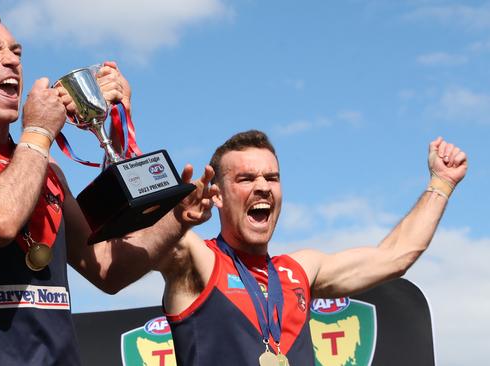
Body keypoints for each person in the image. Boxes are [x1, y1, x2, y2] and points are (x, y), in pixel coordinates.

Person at [0, 4, 214, 365]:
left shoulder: (46, 167)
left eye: (16, 51)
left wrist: (177, 218)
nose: (12, 61)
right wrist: (39, 130)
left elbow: (107, 269)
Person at [156, 130, 467, 365]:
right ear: (218, 196)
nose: (263, 186)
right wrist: (119, 121)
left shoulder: (298, 270)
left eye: (272, 177)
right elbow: (142, 227)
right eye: (246, 178)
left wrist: (441, 183)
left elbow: (395, 256)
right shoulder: (199, 260)